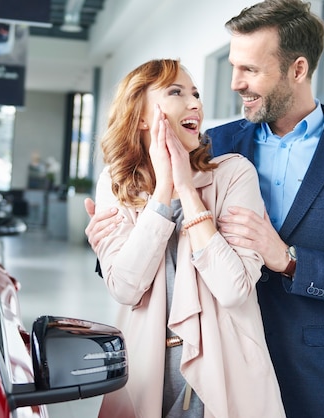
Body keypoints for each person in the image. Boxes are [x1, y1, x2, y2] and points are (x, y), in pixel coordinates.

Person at [85, 1, 324, 417]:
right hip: (213, 367)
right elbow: (156, 245)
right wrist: (105, 242)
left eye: (250, 70)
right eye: (234, 66)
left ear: (297, 70)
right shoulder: (211, 146)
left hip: (316, 375)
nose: (235, 83)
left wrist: (290, 261)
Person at [91, 58, 285, 418]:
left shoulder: (233, 175)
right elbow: (125, 288)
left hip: (227, 375)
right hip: (144, 376)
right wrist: (163, 191)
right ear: (142, 116)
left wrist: (186, 187)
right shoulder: (116, 184)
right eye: (176, 92)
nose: (195, 102)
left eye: (195, 93)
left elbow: (233, 289)